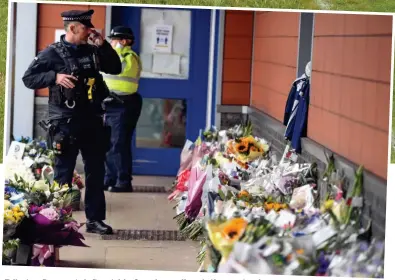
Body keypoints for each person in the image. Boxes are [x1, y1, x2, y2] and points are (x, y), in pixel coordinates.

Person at [22, 10, 122, 235]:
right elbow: (28, 78)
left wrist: (103, 45)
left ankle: (95, 220)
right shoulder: (51, 53)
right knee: (63, 174)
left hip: (93, 121)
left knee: (96, 172)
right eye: (86, 28)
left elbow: (116, 68)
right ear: (73, 28)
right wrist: (54, 77)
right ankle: (57, 221)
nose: (90, 31)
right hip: (65, 123)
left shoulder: (93, 50)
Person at [102, 26, 143, 193]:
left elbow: (119, 69)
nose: (111, 43)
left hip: (124, 104)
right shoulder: (111, 55)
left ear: (124, 41)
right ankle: (109, 178)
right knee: (107, 143)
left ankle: (123, 181)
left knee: (119, 143)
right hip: (108, 103)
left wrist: (115, 51)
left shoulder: (130, 57)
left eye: (115, 40)